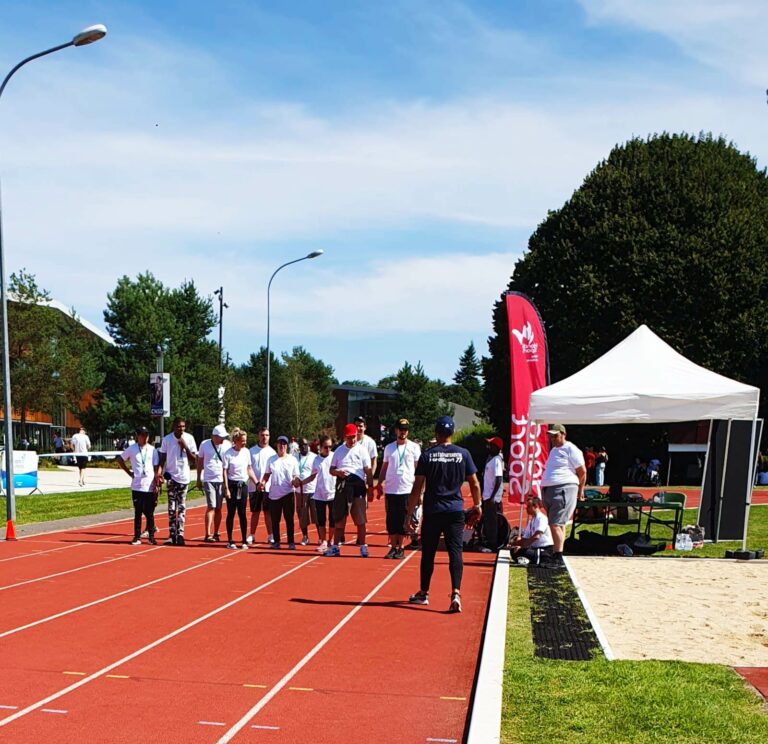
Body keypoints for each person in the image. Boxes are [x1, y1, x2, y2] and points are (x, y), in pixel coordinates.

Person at [406, 416, 481, 613]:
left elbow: (417, 487)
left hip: (433, 510)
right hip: (455, 510)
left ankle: (424, 593)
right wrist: (478, 505)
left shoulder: (427, 455)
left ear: (436, 434)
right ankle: (456, 592)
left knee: (428, 553)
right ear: (452, 433)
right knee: (455, 552)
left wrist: (409, 514)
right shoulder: (463, 454)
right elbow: (474, 483)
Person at [541, 424, 585, 567]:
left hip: (563, 488)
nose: (552, 438)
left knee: (555, 524)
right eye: (551, 436)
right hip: (551, 490)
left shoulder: (571, 449)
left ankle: (558, 557)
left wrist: (581, 490)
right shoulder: (554, 450)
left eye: (555, 435)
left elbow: (582, 471)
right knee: (559, 524)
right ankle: (557, 552)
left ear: (563, 434)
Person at [376, 418, 421, 559]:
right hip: (391, 489)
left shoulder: (414, 447)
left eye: (405, 429)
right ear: (396, 430)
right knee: (391, 519)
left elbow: (418, 470)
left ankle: (401, 547)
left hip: (406, 489)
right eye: (401, 429)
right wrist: (379, 483)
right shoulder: (389, 448)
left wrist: (419, 491)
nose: (403, 432)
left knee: (403, 519)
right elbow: (384, 467)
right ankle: (393, 547)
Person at [329, 423, 374, 557]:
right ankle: (336, 546)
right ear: (345, 437)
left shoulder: (362, 450)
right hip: (343, 485)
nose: (352, 440)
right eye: (349, 437)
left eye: (354, 437)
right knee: (340, 518)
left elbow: (368, 470)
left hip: (358, 486)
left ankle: (362, 546)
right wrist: (338, 472)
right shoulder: (338, 451)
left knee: (360, 519)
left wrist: (370, 488)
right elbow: (331, 470)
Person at [157, 417, 198, 546]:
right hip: (171, 477)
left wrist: (185, 446)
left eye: (183, 426)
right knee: (171, 507)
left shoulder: (189, 438)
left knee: (181, 507)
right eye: (179, 426)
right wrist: (159, 473)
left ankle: (180, 534)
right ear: (174, 426)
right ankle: (172, 534)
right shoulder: (167, 440)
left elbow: (194, 460)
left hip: (183, 478)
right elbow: (162, 459)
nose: (181, 429)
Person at [117, 426, 159, 545]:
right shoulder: (132, 449)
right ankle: (137, 537)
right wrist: (129, 472)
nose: (144, 438)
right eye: (142, 435)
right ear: (137, 436)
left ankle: (151, 536)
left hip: (149, 484)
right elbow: (120, 459)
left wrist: (157, 482)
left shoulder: (152, 450)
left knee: (150, 512)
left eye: (146, 435)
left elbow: (156, 467)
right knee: (138, 512)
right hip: (137, 486)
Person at [222, 428, 259, 550]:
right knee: (231, 512)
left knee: (242, 513)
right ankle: (230, 540)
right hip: (232, 485)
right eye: (242, 441)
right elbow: (225, 472)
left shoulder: (246, 452)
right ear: (236, 441)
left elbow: (249, 469)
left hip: (243, 485)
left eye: (245, 441)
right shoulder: (228, 453)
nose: (244, 443)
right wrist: (226, 488)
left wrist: (256, 482)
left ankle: (243, 539)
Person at [262, 436, 302, 549]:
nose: (282, 446)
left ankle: (291, 542)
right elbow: (267, 474)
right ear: (277, 445)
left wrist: (296, 481)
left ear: (287, 446)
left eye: (284, 444)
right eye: (280, 443)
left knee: (289, 519)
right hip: (274, 494)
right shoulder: (271, 459)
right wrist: (263, 482)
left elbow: (296, 475)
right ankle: (276, 541)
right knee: (275, 520)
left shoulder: (292, 460)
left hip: (288, 493)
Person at [196, 424, 232, 542]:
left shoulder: (227, 445)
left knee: (219, 508)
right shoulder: (204, 444)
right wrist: (198, 478)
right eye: (220, 437)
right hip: (209, 479)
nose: (222, 439)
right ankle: (208, 533)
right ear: (214, 436)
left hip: (221, 480)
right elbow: (200, 461)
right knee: (211, 506)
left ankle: (216, 532)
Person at [301, 434, 336, 553]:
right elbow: (313, 475)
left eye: (330, 447)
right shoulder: (316, 459)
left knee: (332, 519)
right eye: (326, 447)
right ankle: (323, 541)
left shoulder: (334, 456)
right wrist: (301, 483)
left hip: (333, 493)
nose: (328, 449)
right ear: (320, 447)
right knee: (321, 520)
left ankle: (330, 540)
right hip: (320, 494)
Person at [247, 427, 276, 544]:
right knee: (255, 512)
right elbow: (248, 468)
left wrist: (264, 483)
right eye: (262, 435)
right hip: (254, 487)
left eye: (267, 435)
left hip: (268, 487)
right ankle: (252, 535)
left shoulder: (272, 452)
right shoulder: (251, 451)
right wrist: (257, 482)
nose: (264, 437)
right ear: (258, 436)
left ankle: (270, 535)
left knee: (268, 512)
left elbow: (272, 471)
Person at [510, 496, 554, 565]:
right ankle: (527, 559)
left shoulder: (542, 518)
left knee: (521, 551)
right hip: (535, 548)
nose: (526, 508)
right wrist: (514, 544)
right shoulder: (531, 521)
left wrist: (523, 546)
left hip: (545, 549)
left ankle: (539, 559)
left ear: (536, 506)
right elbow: (525, 538)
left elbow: (537, 536)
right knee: (513, 551)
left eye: (528, 506)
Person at [480, 436, 505, 553]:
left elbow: (499, 479)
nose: (488, 447)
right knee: (488, 520)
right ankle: (490, 541)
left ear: (496, 447)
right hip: (487, 495)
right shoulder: (491, 458)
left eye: (490, 445)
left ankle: (493, 544)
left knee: (493, 521)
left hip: (492, 497)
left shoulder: (497, 460)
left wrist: (493, 496)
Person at [295, 437, 318, 546]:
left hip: (313, 490)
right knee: (302, 514)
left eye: (305, 444)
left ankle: (320, 537)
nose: (303, 447)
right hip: (300, 492)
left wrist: (303, 482)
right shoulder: (295, 457)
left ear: (308, 445)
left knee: (317, 514)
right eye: (301, 445)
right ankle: (305, 536)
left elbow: (316, 473)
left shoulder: (314, 457)